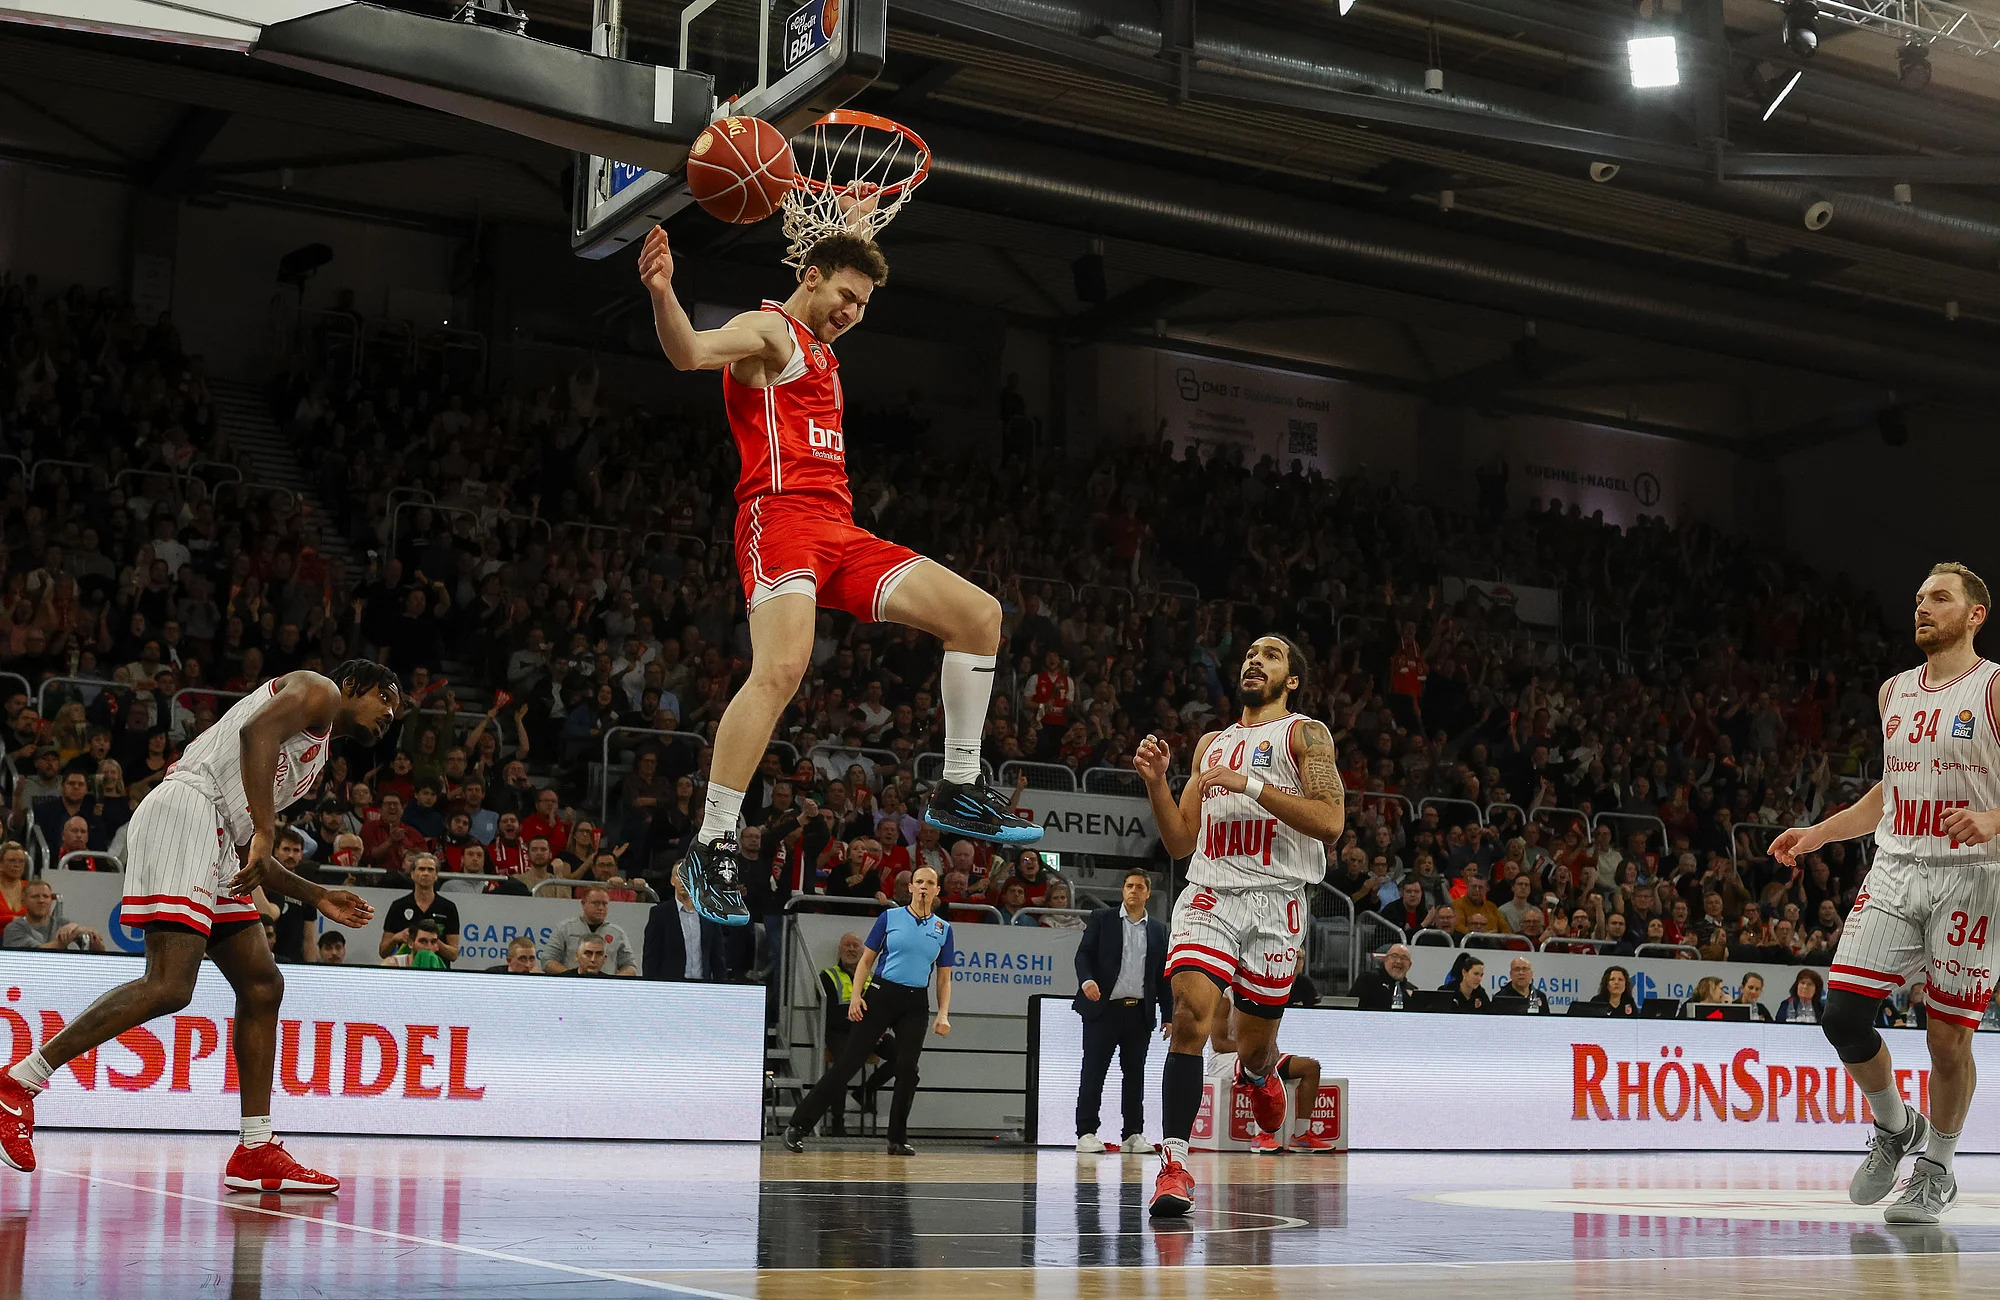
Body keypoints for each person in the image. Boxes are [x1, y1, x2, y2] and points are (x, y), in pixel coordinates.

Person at [639, 225, 1040, 926]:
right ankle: (711, 843)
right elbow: (689, 353)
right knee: (781, 670)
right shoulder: (770, 331)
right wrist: (662, 292)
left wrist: (855, 222)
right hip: (780, 520)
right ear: (812, 277)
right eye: (846, 297)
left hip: (840, 530)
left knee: (980, 615)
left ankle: (958, 786)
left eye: (863, 305)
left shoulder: (823, 347)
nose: (852, 313)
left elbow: (842, 260)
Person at [0, 662, 395, 1190]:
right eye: (385, 697)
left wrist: (317, 894)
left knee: (262, 984)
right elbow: (255, 733)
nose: (390, 714)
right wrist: (266, 830)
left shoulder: (316, 755)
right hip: (186, 812)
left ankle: (255, 1147)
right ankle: (18, 1083)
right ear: (351, 686)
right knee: (169, 984)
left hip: (217, 834)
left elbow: (248, 850)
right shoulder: (317, 690)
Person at [1771, 562, 2000, 1226]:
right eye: (1919, 598)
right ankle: (1897, 1126)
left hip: (1973, 876)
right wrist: (1819, 833)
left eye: (1940, 598)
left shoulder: (1992, 687)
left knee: (1947, 1041)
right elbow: (1891, 789)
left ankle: (1938, 1169)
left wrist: (1993, 818)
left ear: (1975, 615)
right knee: (1842, 1015)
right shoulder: (1893, 691)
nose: (1922, 607)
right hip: (1897, 867)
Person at [1133, 635, 1344, 1217]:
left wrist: (1248, 784)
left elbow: (1331, 822)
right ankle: (1174, 1165)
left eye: (1271, 655)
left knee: (1250, 1046)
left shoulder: (1306, 735)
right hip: (1210, 892)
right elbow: (1181, 841)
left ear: (1292, 680)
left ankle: (1260, 1073)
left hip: (1278, 900)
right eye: (1251, 654)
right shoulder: (1211, 744)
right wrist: (1157, 783)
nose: (1255, 660)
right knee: (1188, 1018)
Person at [784, 864, 954, 1156]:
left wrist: (943, 1013)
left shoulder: (944, 929)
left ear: (937, 890)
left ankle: (897, 1138)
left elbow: (943, 977)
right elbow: (866, 961)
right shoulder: (890, 918)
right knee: (848, 1062)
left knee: (908, 1069)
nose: (924, 887)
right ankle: (798, 1126)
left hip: (915, 1002)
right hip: (882, 993)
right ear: (911, 887)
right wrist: (855, 997)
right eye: (919, 882)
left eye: (930, 883)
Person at [1073, 868, 1172, 1156]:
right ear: (1122, 890)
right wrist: (1087, 980)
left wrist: (1168, 1015)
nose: (1133, 891)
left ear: (1148, 893)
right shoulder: (1102, 919)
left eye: (1140, 887)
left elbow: (1162, 976)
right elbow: (1083, 954)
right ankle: (1086, 1132)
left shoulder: (1158, 930)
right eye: (1129, 886)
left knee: (1135, 1075)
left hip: (1138, 1012)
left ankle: (1132, 1134)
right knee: (1094, 1071)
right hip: (1103, 1009)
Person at [813, 932, 895, 1136]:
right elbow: (832, 1016)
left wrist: (876, 1030)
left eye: (855, 946)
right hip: (840, 1032)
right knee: (842, 1067)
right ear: (839, 950)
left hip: (869, 1031)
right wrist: (866, 1029)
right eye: (847, 945)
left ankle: (865, 1091)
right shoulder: (827, 976)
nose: (851, 949)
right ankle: (837, 1123)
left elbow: (884, 1009)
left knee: (902, 1055)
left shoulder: (873, 978)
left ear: (863, 950)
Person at [641, 864, 732, 982]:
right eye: (679, 875)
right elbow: (651, 957)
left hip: (701, 986)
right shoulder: (660, 914)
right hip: (670, 986)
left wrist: (722, 984)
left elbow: (718, 957)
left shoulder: (709, 914)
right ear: (672, 880)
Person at [377, 854, 460, 966]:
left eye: (430, 870)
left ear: (436, 875)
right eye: (421, 869)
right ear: (412, 874)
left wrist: (431, 941)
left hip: (438, 971)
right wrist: (395, 938)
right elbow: (383, 952)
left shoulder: (448, 907)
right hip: (406, 971)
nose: (426, 873)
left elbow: (454, 954)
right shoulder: (399, 906)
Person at [542, 888, 638, 976]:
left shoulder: (617, 933)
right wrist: (572, 977)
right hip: (571, 985)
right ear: (583, 903)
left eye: (604, 904)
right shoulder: (565, 929)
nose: (601, 908)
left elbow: (630, 966)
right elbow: (548, 961)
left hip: (605, 987)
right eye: (596, 903)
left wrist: (611, 982)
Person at [1, 880, 107, 952]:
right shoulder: (14, 928)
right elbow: (39, 953)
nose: (41, 900)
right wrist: (75, 931)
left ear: (51, 901)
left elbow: (100, 951)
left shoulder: (63, 923)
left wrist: (86, 932)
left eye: (45, 896)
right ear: (23, 901)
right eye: (35, 897)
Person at [1351, 944, 1418, 1010]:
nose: (1399, 961)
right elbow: (1350, 1007)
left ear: (1409, 965)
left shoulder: (1413, 990)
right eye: (1394, 956)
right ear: (1385, 960)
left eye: (1404, 958)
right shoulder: (1368, 979)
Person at [382, 919, 449, 969]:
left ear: (437, 946)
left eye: (433, 942)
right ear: (410, 943)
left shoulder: (442, 969)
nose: (428, 947)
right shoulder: (393, 964)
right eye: (423, 941)